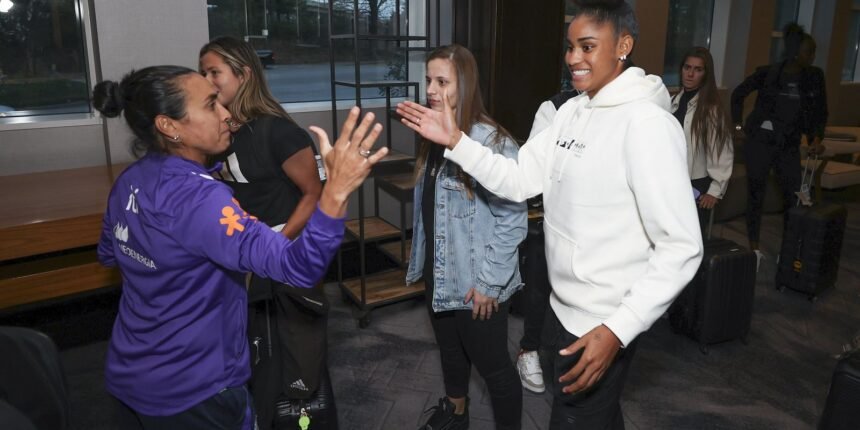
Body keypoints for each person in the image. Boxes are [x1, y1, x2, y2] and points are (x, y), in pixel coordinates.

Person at [397, 1, 703, 428]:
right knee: (596, 415)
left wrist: (618, 330)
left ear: (624, 45)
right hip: (562, 311)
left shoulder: (647, 124)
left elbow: (683, 246)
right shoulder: (572, 112)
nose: (573, 58)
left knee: (573, 418)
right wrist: (457, 142)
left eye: (587, 46)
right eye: (570, 46)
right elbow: (517, 179)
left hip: (603, 322)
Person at [93, 65, 386, 429]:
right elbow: (299, 267)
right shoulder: (202, 200)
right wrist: (336, 191)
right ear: (169, 126)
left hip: (130, 375)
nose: (226, 113)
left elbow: (109, 252)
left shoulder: (130, 179)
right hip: (196, 389)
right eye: (211, 104)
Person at [199, 36, 330, 429]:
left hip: (285, 254)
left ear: (243, 74)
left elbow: (315, 195)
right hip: (249, 255)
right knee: (259, 348)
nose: (207, 80)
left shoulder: (278, 132)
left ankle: (301, 416)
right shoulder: (223, 134)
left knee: (296, 353)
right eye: (203, 72)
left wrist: (276, 245)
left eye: (215, 72)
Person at [405, 44, 527, 430]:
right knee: (451, 354)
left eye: (442, 81)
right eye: (428, 80)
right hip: (439, 274)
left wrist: (490, 283)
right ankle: (455, 414)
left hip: (478, 282)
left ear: (466, 84)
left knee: (495, 369)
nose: (431, 90)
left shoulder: (492, 143)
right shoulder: (433, 135)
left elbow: (513, 220)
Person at [731, 24, 827, 263]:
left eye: (813, 52)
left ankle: (789, 248)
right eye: (809, 52)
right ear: (796, 52)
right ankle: (754, 247)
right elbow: (738, 95)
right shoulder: (769, 73)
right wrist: (738, 128)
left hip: (788, 145)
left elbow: (819, 113)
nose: (812, 57)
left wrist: (816, 138)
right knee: (756, 194)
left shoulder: (813, 78)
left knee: (794, 197)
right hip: (760, 142)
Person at [515, 88, 579, 395]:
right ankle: (528, 350)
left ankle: (568, 356)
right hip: (551, 220)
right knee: (540, 287)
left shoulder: (629, 108)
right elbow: (531, 171)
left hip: (591, 233)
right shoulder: (554, 107)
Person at [670, 47, 733, 234]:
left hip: (696, 185)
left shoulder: (711, 110)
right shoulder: (673, 101)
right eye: (687, 67)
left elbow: (722, 151)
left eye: (698, 70)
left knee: (690, 239)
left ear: (706, 75)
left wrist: (715, 190)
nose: (690, 74)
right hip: (672, 180)